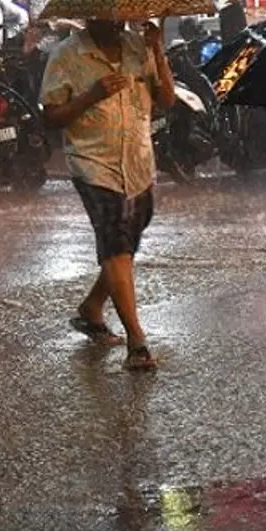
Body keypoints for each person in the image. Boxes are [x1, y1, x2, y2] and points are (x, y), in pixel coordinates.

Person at [41, 19, 176, 371]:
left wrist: (158, 50)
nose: (116, 22)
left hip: (138, 163)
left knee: (128, 241)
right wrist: (91, 96)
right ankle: (137, 340)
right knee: (115, 244)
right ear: (91, 16)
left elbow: (166, 100)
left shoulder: (138, 47)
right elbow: (51, 116)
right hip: (94, 163)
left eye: (119, 16)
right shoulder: (67, 55)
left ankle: (92, 307)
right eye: (107, 15)